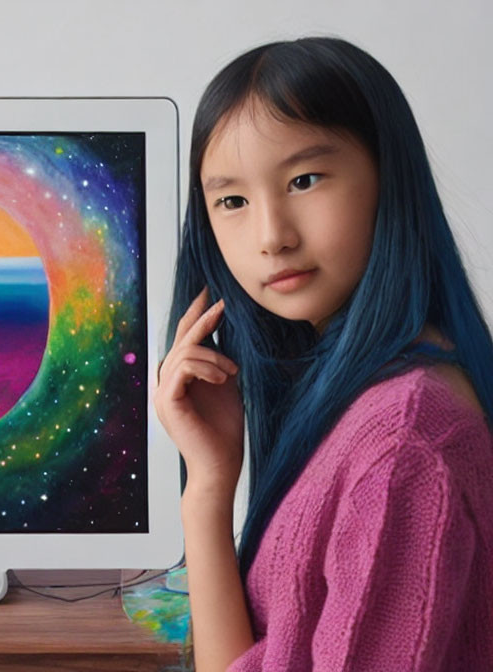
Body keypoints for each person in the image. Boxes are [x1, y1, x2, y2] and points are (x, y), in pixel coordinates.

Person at [154, 35, 493, 671]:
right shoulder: (362, 399)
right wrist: (208, 484)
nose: (271, 236)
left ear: (388, 181)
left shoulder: (403, 443)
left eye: (304, 180)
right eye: (232, 201)